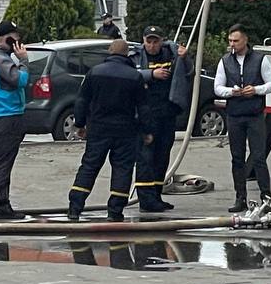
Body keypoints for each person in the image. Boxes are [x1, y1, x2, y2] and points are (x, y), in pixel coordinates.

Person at [67, 39, 147, 223]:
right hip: (125, 131)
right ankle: (115, 211)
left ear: (110, 51)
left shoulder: (94, 72)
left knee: (89, 167)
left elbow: (81, 101)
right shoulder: (134, 76)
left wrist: (80, 124)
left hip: (98, 129)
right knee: (122, 169)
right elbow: (143, 108)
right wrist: (146, 130)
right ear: (127, 54)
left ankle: (75, 208)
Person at [213, 24, 271, 213]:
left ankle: (267, 199)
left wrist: (256, 90)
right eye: (230, 41)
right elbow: (218, 87)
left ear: (245, 40)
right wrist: (231, 92)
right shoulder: (225, 61)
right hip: (234, 115)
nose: (232, 44)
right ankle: (240, 197)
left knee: (259, 157)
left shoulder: (260, 60)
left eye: (236, 40)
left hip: (255, 115)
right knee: (237, 158)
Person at [128, 25, 191, 212]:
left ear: (162, 41)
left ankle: (156, 196)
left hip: (167, 114)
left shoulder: (172, 54)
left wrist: (185, 57)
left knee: (162, 156)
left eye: (156, 41)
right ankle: (145, 200)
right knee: (145, 158)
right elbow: (129, 76)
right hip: (146, 116)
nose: (153, 45)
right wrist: (151, 74)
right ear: (143, 41)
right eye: (149, 41)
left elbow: (189, 72)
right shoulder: (136, 57)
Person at [0, 20, 30, 219]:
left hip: (0, 115)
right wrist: (24, 60)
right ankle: (1, 206)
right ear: (8, 38)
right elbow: (21, 80)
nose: (18, 43)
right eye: (16, 39)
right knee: (3, 163)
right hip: (6, 116)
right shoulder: (1, 59)